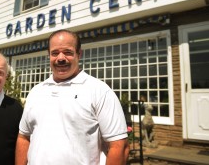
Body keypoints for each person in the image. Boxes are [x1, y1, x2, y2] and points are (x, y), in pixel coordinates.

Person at [16, 30, 129, 165]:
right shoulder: (36, 92)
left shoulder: (99, 91)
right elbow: (23, 137)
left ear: (79, 54)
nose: (61, 58)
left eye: (68, 52)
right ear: (49, 56)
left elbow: (119, 147)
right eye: (55, 53)